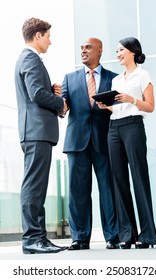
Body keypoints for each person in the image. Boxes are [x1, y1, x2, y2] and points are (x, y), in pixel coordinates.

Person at [97, 37, 156, 249]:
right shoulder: (116, 80)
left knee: (139, 177)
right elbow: (117, 107)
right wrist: (106, 106)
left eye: (121, 50)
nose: (118, 54)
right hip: (114, 127)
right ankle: (127, 233)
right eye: (116, 51)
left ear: (133, 51)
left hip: (133, 126)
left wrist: (131, 99)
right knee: (119, 179)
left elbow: (150, 106)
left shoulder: (143, 75)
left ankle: (148, 234)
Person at [14, 17, 68, 254]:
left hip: (37, 131)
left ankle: (39, 238)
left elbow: (37, 92)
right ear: (38, 36)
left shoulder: (30, 60)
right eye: (48, 36)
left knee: (37, 186)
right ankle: (32, 239)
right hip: (36, 131)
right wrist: (60, 101)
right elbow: (36, 93)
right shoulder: (30, 58)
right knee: (34, 186)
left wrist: (52, 93)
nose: (50, 41)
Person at [61, 37, 119, 250]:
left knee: (108, 190)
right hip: (77, 142)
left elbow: (119, 108)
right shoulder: (69, 78)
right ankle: (79, 237)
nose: (83, 51)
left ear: (100, 51)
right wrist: (60, 105)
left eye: (88, 48)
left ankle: (112, 236)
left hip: (105, 141)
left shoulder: (115, 79)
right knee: (78, 192)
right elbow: (64, 106)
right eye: (81, 48)